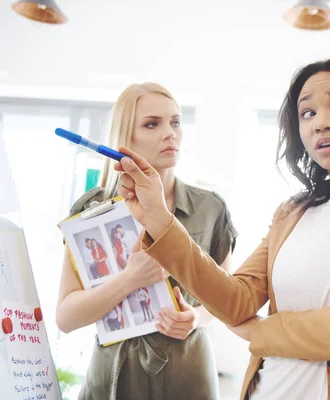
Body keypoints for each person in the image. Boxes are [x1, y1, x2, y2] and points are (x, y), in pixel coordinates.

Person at [116, 55, 330, 400]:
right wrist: (160, 220)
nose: (321, 123)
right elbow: (235, 300)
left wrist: (260, 331)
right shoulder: (292, 211)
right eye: (308, 113)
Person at [56, 82, 238, 399]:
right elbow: (66, 317)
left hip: (189, 377)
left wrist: (195, 318)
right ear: (125, 139)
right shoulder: (90, 211)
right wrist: (130, 279)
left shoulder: (211, 209)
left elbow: (228, 301)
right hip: (111, 378)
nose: (171, 133)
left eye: (176, 121)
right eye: (152, 124)